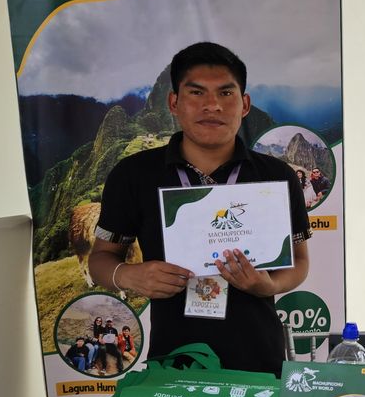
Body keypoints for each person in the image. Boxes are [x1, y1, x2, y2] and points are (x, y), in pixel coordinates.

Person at [88, 43, 311, 373]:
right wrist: (130, 275)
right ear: (174, 103)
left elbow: (300, 260)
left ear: (245, 104)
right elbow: (100, 260)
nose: (212, 105)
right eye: (196, 93)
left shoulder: (275, 176)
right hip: (175, 361)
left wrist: (270, 286)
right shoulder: (134, 175)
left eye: (225, 93)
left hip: (260, 362)